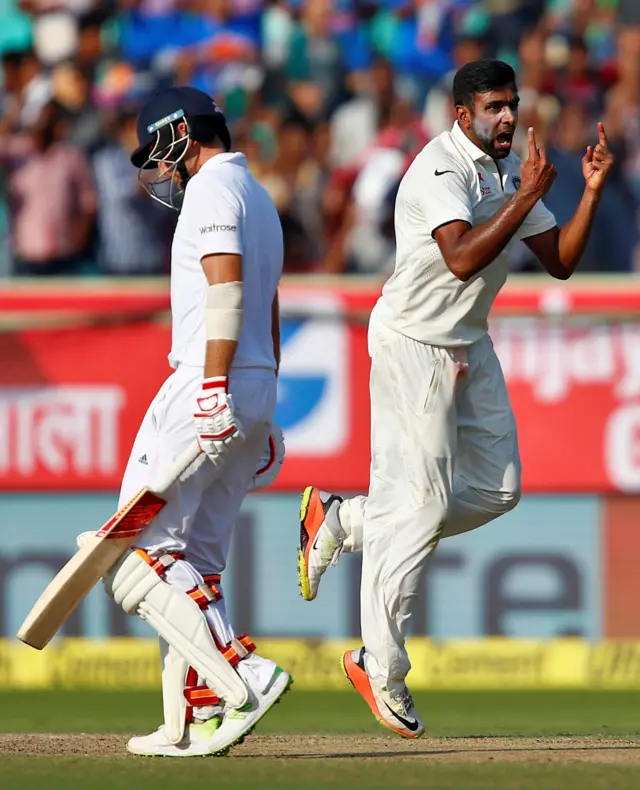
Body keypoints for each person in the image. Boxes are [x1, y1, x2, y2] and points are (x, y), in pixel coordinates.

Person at [297, 60, 614, 738]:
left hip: (469, 342)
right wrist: (525, 197)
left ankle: (345, 522)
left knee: (500, 490)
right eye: (496, 107)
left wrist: (588, 192)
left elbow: (557, 259)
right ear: (462, 113)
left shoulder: (509, 171)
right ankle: (378, 666)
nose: (508, 117)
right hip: (415, 344)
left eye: (514, 105)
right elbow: (463, 258)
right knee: (423, 505)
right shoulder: (440, 170)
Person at [94, 86, 289, 756]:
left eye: (159, 151)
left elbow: (228, 288)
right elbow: (268, 310)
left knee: (132, 557)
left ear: (182, 134)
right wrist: (264, 406)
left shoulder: (211, 190)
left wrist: (211, 388)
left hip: (209, 381)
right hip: (252, 382)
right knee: (194, 563)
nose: (158, 168)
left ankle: (242, 673)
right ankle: (193, 714)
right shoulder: (258, 196)